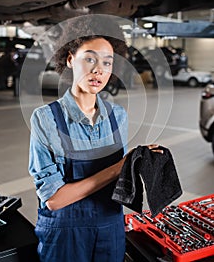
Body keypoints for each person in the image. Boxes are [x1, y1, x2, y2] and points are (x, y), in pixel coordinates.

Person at [28, 15, 163, 262]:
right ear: (70, 59)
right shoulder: (45, 119)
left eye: (107, 62)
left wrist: (139, 163)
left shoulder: (117, 116)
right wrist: (119, 167)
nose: (99, 69)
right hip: (64, 237)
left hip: (109, 230)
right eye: (90, 58)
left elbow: (120, 182)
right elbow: (55, 200)